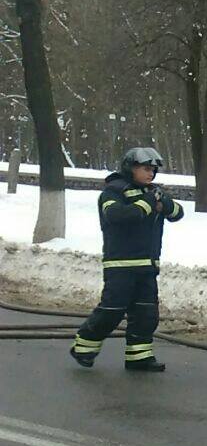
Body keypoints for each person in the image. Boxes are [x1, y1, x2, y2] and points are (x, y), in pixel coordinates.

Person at [70, 147, 184, 372]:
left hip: (147, 266)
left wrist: (165, 203)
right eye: (145, 169)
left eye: (152, 170)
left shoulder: (153, 192)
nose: (150, 174)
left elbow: (177, 214)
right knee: (112, 311)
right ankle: (83, 347)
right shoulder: (113, 192)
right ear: (130, 168)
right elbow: (118, 216)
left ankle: (139, 357)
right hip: (120, 266)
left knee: (146, 314)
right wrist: (149, 203)